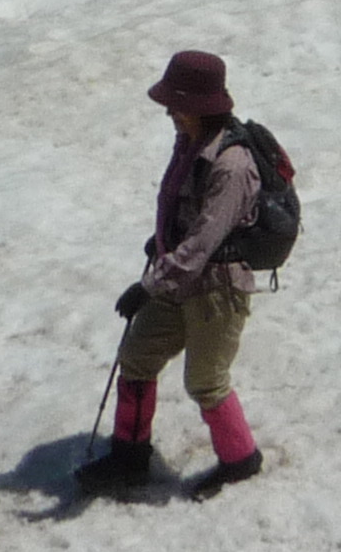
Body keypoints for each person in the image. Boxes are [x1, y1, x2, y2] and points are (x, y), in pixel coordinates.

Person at [76, 51, 273, 501]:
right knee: (138, 355)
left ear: (200, 105)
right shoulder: (189, 142)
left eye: (175, 103)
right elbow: (181, 206)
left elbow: (204, 242)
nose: (168, 111)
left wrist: (147, 286)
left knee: (206, 382)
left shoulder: (233, 164)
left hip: (217, 290)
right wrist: (160, 238)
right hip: (178, 278)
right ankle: (129, 456)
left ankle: (241, 460)